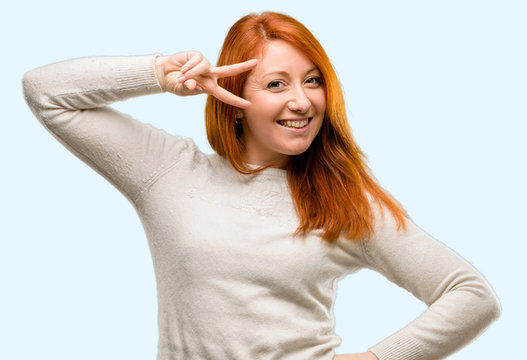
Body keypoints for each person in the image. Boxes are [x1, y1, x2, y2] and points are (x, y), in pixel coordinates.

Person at [22, 11, 501, 360]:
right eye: (276, 84)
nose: (301, 101)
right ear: (233, 98)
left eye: (313, 81)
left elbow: (471, 295)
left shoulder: (343, 201)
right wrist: (161, 74)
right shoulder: (167, 171)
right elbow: (46, 93)